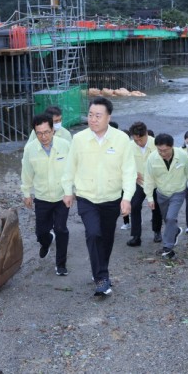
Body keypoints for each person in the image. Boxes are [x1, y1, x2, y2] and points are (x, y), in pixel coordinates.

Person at [62, 97, 136, 296]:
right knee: (93, 234)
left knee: (107, 238)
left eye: (98, 116)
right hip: (86, 198)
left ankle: (100, 270)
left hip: (111, 198)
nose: (93, 119)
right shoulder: (79, 139)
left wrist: (127, 197)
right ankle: (102, 278)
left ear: (108, 117)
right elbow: (70, 168)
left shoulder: (121, 139)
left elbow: (129, 171)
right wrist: (68, 191)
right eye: (90, 115)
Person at [21, 113, 71, 276]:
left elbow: (73, 169)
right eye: (39, 133)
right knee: (41, 232)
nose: (44, 136)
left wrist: (72, 192)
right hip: (42, 197)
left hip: (62, 196)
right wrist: (26, 193)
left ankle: (61, 264)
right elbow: (26, 173)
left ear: (53, 130)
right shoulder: (30, 149)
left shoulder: (65, 145)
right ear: (35, 133)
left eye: (47, 132)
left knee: (61, 229)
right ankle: (47, 240)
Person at [143, 133, 188, 259]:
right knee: (167, 219)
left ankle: (168, 247)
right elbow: (149, 179)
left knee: (171, 218)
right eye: (159, 150)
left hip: (178, 192)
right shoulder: (152, 158)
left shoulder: (182, 155)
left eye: (165, 150)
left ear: (172, 146)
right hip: (161, 193)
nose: (162, 153)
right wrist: (149, 197)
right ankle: (175, 231)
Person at [126, 122, 162, 247]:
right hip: (139, 182)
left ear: (146, 134)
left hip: (156, 183)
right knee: (134, 206)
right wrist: (134, 174)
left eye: (140, 139)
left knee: (156, 207)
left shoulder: (157, 144)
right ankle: (136, 236)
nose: (138, 143)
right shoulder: (130, 146)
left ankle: (157, 231)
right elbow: (126, 163)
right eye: (135, 140)